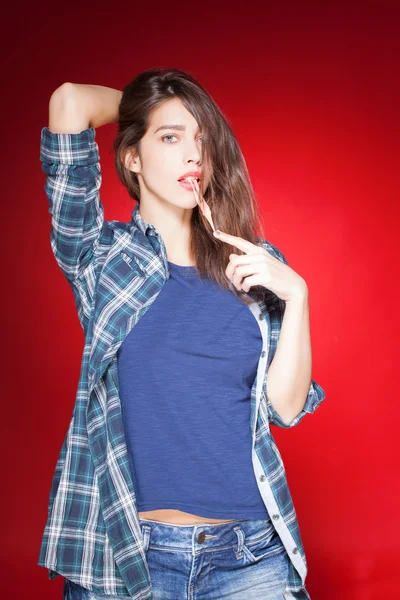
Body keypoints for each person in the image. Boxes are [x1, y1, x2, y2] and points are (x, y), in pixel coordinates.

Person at [38, 68, 326, 600]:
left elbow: (284, 409)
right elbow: (69, 101)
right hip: (126, 553)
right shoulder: (102, 259)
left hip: (249, 555)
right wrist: (151, 106)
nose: (193, 155)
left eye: (202, 141)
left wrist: (298, 296)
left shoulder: (256, 268)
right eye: (170, 138)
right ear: (132, 157)